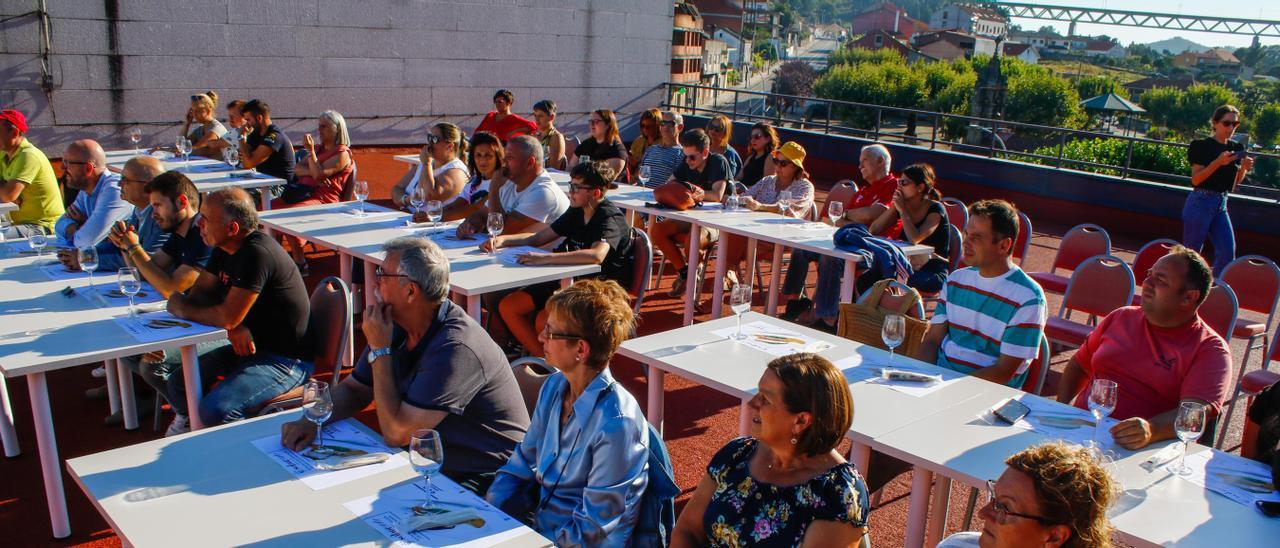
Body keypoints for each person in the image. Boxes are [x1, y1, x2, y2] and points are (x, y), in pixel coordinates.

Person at [281, 236, 530, 494]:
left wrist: (380, 350)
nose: (375, 281)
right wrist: (311, 420)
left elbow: (397, 434)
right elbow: (356, 389)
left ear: (411, 291)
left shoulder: (456, 348)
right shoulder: (397, 323)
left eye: (383, 274)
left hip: (489, 477)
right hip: (434, 462)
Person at [486, 279, 650, 547]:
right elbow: (521, 464)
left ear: (581, 350)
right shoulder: (554, 386)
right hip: (539, 531)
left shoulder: (618, 423)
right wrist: (489, 512)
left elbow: (593, 528)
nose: (540, 337)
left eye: (550, 332)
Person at [671, 353, 869, 547]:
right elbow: (687, 529)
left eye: (765, 399)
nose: (752, 404)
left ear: (801, 420)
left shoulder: (837, 494)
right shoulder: (739, 453)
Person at [164, 188, 311, 435]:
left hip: (285, 360)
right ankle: (197, 433)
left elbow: (225, 315)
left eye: (206, 219)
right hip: (250, 348)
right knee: (178, 383)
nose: (198, 224)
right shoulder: (224, 248)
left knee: (216, 410)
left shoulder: (256, 254)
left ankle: (242, 460)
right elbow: (201, 296)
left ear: (232, 229)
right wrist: (233, 325)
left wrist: (182, 306)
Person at [1055, 246, 1232, 450]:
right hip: (1083, 434)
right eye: (1150, 275)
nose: (1147, 283)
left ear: (1189, 297)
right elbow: (1079, 365)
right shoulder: (1120, 317)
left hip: (1143, 451)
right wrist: (1062, 409)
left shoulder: (1210, 349)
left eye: (1161, 280)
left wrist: (1151, 430)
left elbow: (1193, 414)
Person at [488, 161, 634, 357]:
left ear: (596, 193)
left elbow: (596, 255)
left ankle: (554, 367)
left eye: (576, 187)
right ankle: (545, 362)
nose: (570, 192)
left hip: (601, 291)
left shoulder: (609, 218)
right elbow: (538, 237)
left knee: (544, 319)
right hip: (571, 283)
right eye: (570, 185)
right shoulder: (577, 211)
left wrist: (545, 259)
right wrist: (502, 240)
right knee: (509, 306)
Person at [102, 170, 212, 425]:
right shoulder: (179, 234)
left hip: (212, 323)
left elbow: (169, 287)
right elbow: (149, 272)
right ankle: (165, 401)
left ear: (182, 202)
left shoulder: (203, 235)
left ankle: (192, 416)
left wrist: (134, 247)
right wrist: (126, 247)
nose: (153, 214)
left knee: (151, 365)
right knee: (126, 348)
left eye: (158, 205)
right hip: (187, 315)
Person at [920, 200, 1047, 387]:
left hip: (986, 398)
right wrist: (919, 376)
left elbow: (1004, 370)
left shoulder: (1029, 298)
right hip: (938, 383)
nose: (966, 242)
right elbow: (931, 341)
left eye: (976, 237)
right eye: (966, 234)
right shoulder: (956, 280)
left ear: (1004, 246)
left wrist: (951, 390)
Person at [779, 144, 901, 331]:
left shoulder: (893, 186)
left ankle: (827, 318)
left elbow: (873, 214)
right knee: (801, 249)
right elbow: (836, 221)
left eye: (864, 162)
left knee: (830, 256)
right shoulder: (862, 192)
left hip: (872, 250)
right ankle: (795, 302)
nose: (860, 167)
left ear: (881, 161)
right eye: (859, 163)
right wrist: (854, 216)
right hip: (849, 243)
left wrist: (851, 215)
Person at [937, 442, 1116, 548]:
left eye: (1005, 507)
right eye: (994, 498)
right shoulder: (957, 544)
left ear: (1055, 537)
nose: (982, 513)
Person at [721, 141, 815, 288]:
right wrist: (734, 199)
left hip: (784, 238)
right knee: (732, 232)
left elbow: (790, 210)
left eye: (783, 164)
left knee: (733, 237)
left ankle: (728, 273)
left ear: (796, 167)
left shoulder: (804, 186)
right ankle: (729, 273)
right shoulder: (767, 180)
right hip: (755, 233)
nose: (777, 166)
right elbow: (745, 197)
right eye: (776, 161)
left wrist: (760, 206)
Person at [272, 110, 354, 270]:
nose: (319, 130)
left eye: (324, 126)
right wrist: (314, 169)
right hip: (303, 192)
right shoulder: (319, 149)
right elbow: (297, 169)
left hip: (324, 199)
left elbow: (317, 174)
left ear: (336, 128)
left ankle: (300, 262)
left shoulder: (342, 154)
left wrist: (312, 159)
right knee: (268, 209)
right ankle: (276, 257)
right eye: (319, 126)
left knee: (287, 216)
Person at [652, 129, 730, 297]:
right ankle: (686, 273)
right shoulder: (687, 161)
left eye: (692, 157)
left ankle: (694, 277)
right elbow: (670, 184)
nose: (687, 160)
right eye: (685, 155)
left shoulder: (718, 161)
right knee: (657, 230)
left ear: (705, 152)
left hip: (716, 221)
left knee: (692, 240)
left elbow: (717, 195)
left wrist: (693, 193)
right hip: (691, 217)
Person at [58, 156, 169, 273]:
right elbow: (121, 249)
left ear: (149, 187)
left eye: (126, 180)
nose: (119, 183)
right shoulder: (139, 210)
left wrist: (87, 259)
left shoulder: (162, 218)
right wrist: (84, 254)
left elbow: (146, 263)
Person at [1185, 104, 1252, 276]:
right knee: (1191, 254)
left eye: (1235, 124)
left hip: (1221, 202)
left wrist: (1243, 168)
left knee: (1227, 253)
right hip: (1200, 200)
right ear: (1215, 123)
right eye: (1227, 123)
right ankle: (1187, 290)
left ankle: (1215, 291)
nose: (1231, 128)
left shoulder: (1236, 148)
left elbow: (1235, 183)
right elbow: (1196, 179)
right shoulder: (1201, 146)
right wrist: (1217, 162)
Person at [457, 135, 568, 238]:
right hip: (516, 256)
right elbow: (481, 214)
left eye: (509, 158)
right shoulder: (509, 181)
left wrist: (493, 188)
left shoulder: (543, 192)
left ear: (530, 162)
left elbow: (501, 232)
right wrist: (470, 224)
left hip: (545, 257)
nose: (503, 163)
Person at [868, 163, 950, 294]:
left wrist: (902, 210)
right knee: (867, 279)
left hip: (932, 270)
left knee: (895, 281)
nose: (899, 186)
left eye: (904, 183)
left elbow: (915, 239)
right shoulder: (902, 205)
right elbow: (874, 230)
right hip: (906, 264)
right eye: (899, 182)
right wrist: (895, 207)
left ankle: (893, 313)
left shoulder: (936, 210)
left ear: (920, 187)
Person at [55, 139, 132, 248]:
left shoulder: (115, 190)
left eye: (67, 163)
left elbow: (85, 242)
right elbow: (58, 226)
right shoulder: (86, 189)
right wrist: (83, 228)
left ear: (88, 168)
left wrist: (80, 227)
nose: (61, 167)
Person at [0, 109, 64, 238]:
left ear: (14, 133)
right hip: (17, 223)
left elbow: (8, 195)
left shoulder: (29, 155)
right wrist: (5, 188)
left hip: (42, 226)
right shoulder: (4, 153)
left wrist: (8, 190)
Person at [391, 122, 469, 211]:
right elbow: (397, 188)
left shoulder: (456, 172)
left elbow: (430, 196)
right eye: (429, 137)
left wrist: (426, 164)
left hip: (435, 223)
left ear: (449, 146)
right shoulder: (425, 163)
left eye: (434, 139)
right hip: (410, 219)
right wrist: (405, 200)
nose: (429, 143)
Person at [437, 130, 502, 223]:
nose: (483, 161)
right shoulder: (474, 182)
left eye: (488, 155)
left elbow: (475, 208)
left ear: (497, 157)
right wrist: (433, 213)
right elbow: (455, 205)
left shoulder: (501, 182)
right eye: (478, 155)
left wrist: (438, 218)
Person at [236, 99, 296, 184]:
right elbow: (243, 158)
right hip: (264, 182)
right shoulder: (256, 134)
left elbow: (248, 163)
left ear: (259, 118)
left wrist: (241, 137)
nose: (247, 124)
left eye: (248, 120)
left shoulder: (274, 136)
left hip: (280, 187)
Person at [571, 109, 628, 181]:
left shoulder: (617, 150)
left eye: (596, 122)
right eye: (591, 121)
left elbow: (605, 179)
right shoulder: (586, 144)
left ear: (608, 125)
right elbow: (571, 168)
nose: (592, 124)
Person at [637, 110, 684, 188]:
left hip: (660, 196)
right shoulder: (651, 149)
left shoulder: (681, 153)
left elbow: (677, 183)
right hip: (639, 192)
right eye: (663, 123)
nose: (665, 127)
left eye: (670, 124)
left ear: (680, 127)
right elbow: (640, 175)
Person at [180, 92, 228, 157]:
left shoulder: (216, 128)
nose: (194, 114)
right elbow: (182, 144)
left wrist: (180, 150)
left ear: (209, 110)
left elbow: (196, 148)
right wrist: (187, 124)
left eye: (198, 110)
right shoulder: (200, 129)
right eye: (192, 110)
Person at [737, 122, 779, 187]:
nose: (753, 140)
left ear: (767, 139)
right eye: (751, 137)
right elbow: (739, 178)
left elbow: (766, 185)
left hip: (754, 195)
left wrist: (744, 190)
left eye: (757, 137)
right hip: (740, 193)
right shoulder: (751, 157)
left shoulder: (771, 156)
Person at [706, 114, 742, 180]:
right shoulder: (702, 147)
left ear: (725, 132)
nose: (713, 130)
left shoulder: (730, 153)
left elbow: (732, 178)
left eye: (718, 129)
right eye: (711, 127)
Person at [532, 100, 566, 170]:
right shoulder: (536, 136)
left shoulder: (556, 137)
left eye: (540, 116)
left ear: (551, 117)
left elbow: (553, 168)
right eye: (535, 115)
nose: (536, 119)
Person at [628, 108, 662, 176]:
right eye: (642, 126)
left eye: (649, 126)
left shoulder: (663, 143)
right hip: (634, 179)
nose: (645, 129)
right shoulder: (639, 140)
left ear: (657, 126)